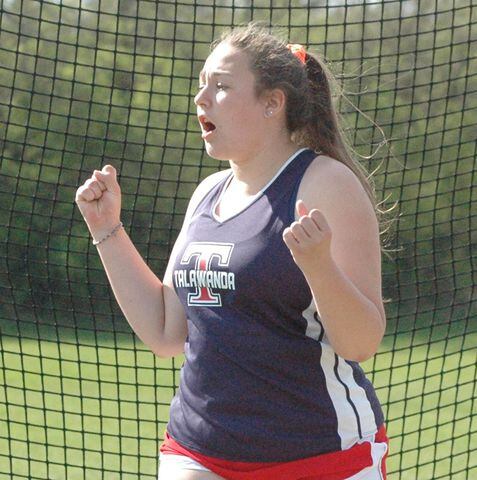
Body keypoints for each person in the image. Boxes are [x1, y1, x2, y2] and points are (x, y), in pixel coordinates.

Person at [75, 21, 390, 480]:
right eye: (201, 86)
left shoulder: (326, 183)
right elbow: (166, 330)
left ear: (272, 103)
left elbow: (362, 342)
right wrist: (107, 229)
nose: (201, 99)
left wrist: (320, 269)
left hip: (321, 456)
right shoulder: (207, 192)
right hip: (198, 453)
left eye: (221, 86)